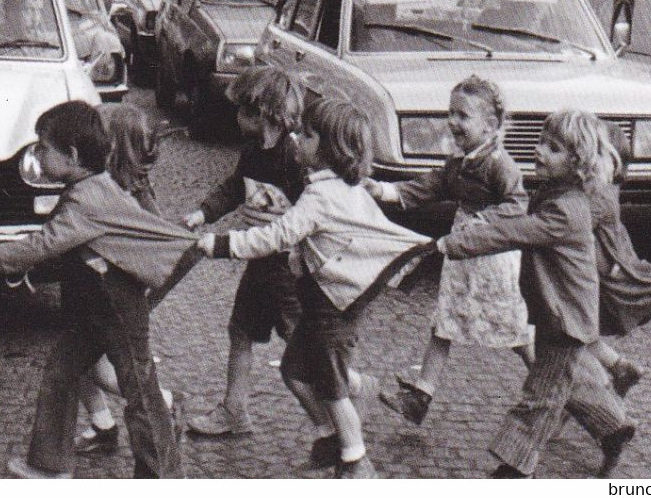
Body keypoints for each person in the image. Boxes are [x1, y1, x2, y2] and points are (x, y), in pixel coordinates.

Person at [0, 101, 197, 479]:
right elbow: (58, 245)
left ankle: (163, 476)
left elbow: (45, 243)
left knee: (139, 390)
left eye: (42, 148)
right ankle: (50, 465)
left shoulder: (88, 198)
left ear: (71, 156)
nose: (36, 155)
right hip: (98, 305)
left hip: (117, 306)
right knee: (61, 371)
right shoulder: (88, 188)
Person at [196, 97, 429, 478]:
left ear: (328, 147)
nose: (297, 138)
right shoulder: (336, 188)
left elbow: (278, 234)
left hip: (335, 304)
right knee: (293, 370)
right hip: (324, 299)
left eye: (307, 134)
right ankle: (327, 434)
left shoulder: (323, 195)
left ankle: (355, 459)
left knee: (329, 383)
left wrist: (223, 245)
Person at [437, 110, 635, 478]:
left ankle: (513, 470)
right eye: (542, 142)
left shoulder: (565, 209)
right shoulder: (553, 193)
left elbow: (516, 232)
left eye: (554, 148)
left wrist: (459, 242)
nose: (540, 150)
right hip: (552, 312)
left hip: (567, 320)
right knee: (563, 383)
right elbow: (513, 219)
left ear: (577, 163)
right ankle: (613, 427)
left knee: (541, 398)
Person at [368, 76, 532, 425]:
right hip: (464, 252)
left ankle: (557, 389)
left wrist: (484, 220)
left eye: (463, 116)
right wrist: (383, 191)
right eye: (451, 113)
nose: (453, 122)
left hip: (493, 256)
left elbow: (518, 205)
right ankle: (421, 397)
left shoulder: (500, 164)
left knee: (513, 328)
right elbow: (430, 186)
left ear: (491, 126)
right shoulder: (460, 160)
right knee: (444, 321)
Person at [184, 66, 310, 438]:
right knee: (240, 331)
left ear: (264, 114)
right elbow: (234, 187)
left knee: (301, 343)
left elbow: (310, 212)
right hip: (259, 263)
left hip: (288, 268)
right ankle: (234, 411)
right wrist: (204, 211)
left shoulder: (294, 158)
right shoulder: (253, 152)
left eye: (242, 111)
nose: (236, 118)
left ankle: (344, 399)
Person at [74, 103, 175, 456]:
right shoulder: (106, 187)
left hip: (115, 299)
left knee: (102, 369)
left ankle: (162, 406)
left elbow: (158, 245)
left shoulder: (129, 196)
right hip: (92, 295)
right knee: (80, 365)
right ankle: (103, 424)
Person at [583, 123, 651, 398]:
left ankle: (603, 393)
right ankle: (618, 369)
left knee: (571, 334)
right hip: (591, 272)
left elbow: (571, 227)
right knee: (577, 334)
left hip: (593, 275)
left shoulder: (599, 194)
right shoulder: (602, 189)